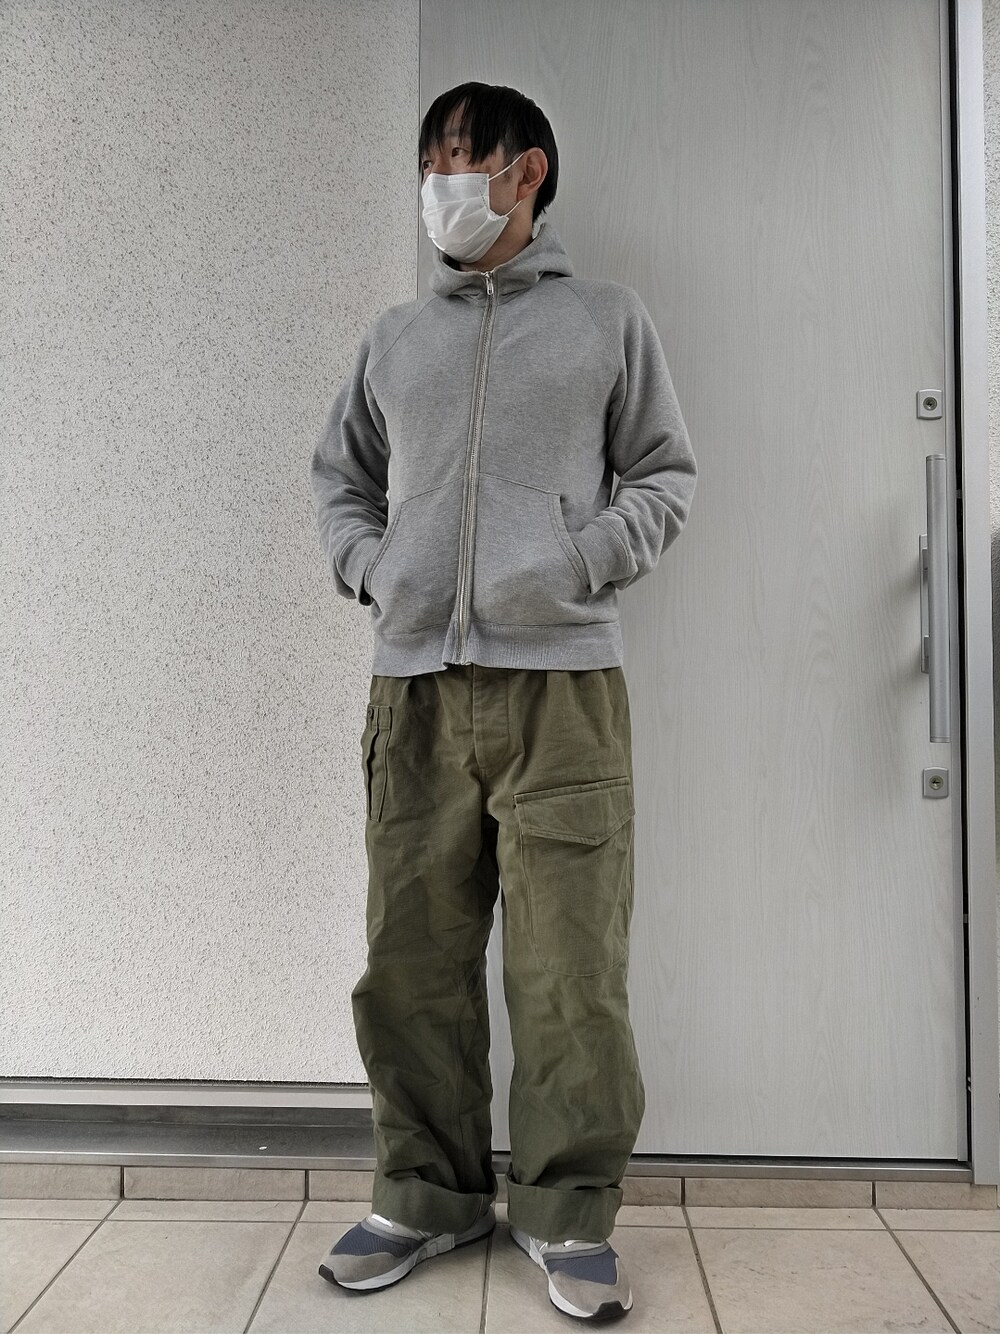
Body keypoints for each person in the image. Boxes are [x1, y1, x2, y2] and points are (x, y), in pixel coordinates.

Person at [311, 80, 697, 1325]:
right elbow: (340, 480)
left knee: (568, 968)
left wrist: (578, 560)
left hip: (561, 690)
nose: (440, 181)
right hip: (414, 690)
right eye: (430, 159)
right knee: (410, 959)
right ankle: (423, 1195)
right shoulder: (394, 338)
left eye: (460, 157)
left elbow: (663, 473)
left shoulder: (606, 321)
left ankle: (566, 1211)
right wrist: (375, 569)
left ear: (526, 173)